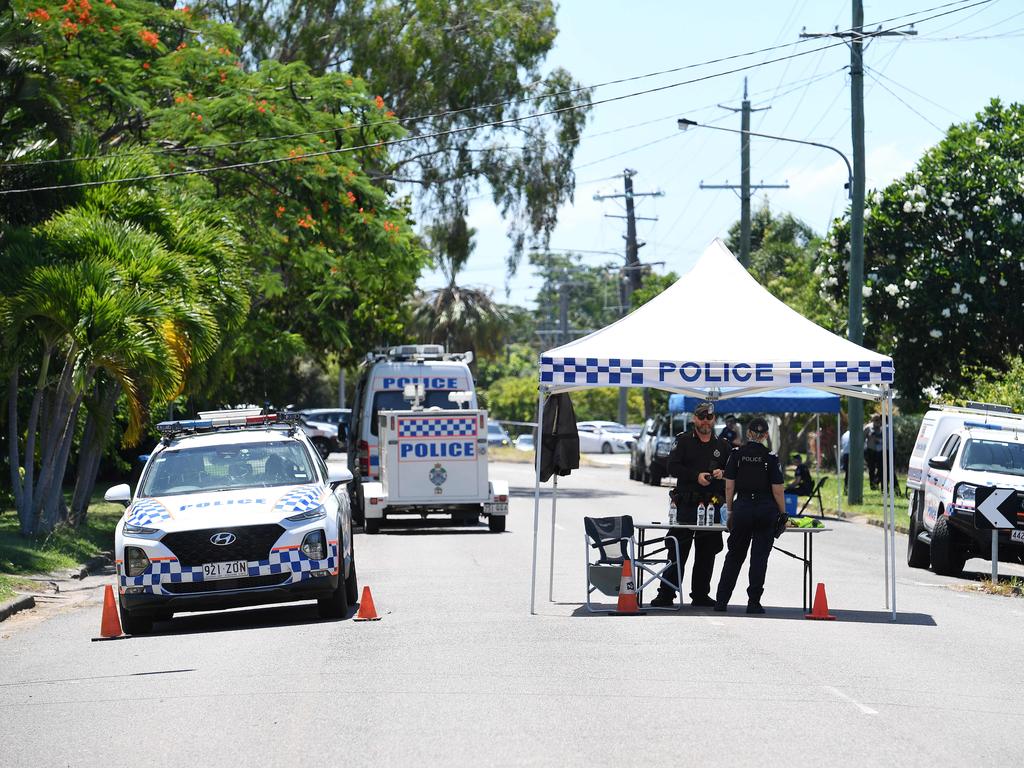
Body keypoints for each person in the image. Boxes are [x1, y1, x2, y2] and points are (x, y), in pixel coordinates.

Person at [651, 401, 729, 608]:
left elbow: (732, 473)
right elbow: (672, 467)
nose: (705, 421)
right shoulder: (683, 441)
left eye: (709, 417)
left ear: (714, 419)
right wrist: (696, 476)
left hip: (711, 505)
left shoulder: (722, 445)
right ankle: (666, 594)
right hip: (686, 504)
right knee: (677, 550)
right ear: (694, 418)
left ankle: (701, 594)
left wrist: (722, 473)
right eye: (701, 417)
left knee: (707, 552)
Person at [715, 417, 786, 614]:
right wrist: (783, 514)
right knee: (759, 558)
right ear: (765, 436)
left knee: (735, 556)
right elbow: (778, 490)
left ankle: (721, 601)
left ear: (748, 434)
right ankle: (753, 602)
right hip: (765, 509)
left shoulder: (737, 454)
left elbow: (729, 486)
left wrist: (730, 511)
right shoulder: (771, 457)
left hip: (743, 507)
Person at [864, 414, 883, 490]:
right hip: (870, 450)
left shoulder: (883, 427)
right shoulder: (868, 427)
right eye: (875, 420)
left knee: (881, 468)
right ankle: (872, 485)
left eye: (878, 420)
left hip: (880, 450)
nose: (877, 422)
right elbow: (862, 438)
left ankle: (877, 481)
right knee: (871, 468)